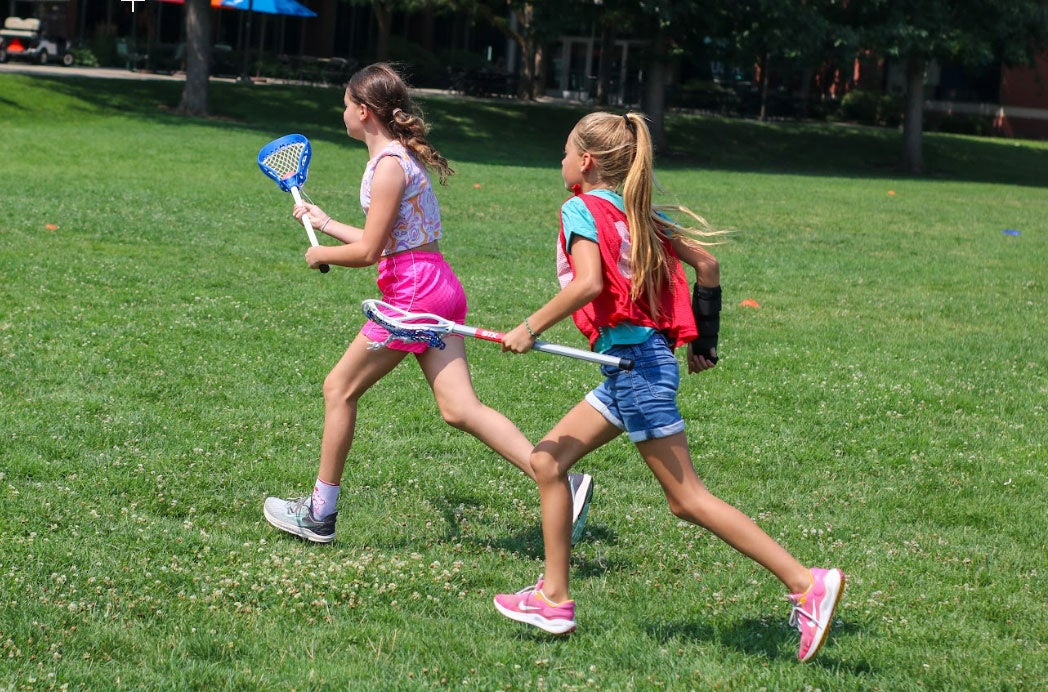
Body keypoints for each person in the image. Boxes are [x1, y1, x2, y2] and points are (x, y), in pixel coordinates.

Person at [492, 111, 844, 662]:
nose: (560, 163)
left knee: (686, 500)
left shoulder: (580, 208)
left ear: (585, 162)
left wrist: (529, 327)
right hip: (632, 365)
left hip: (636, 368)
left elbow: (588, 284)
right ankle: (554, 597)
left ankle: (807, 583)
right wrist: (704, 342)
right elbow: (707, 264)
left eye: (564, 152)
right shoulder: (638, 214)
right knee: (546, 461)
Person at [263, 63, 593, 546]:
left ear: (364, 111)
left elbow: (370, 252)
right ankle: (559, 479)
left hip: (412, 295)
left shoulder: (389, 166)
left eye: (345, 105)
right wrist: (327, 222)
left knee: (339, 388)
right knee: (461, 409)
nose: (342, 114)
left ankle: (319, 513)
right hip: (435, 283)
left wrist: (321, 252)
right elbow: (391, 240)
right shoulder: (394, 159)